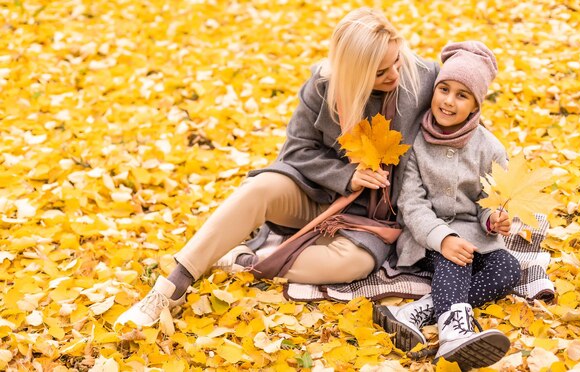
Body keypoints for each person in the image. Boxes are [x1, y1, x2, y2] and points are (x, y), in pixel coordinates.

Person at [115, 8, 439, 328]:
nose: (394, 74)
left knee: (354, 264)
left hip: (368, 218)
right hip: (315, 192)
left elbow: (462, 85)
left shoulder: (420, 77)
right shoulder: (323, 85)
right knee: (259, 189)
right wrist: (346, 176)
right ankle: (172, 285)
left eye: (396, 61)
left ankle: (244, 261)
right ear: (355, 71)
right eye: (381, 72)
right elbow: (298, 150)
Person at [374, 41, 522, 370]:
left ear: (475, 106)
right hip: (425, 237)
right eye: (444, 89)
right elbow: (411, 203)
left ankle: (419, 310)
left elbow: (490, 200)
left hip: (473, 234)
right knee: (457, 257)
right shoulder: (416, 143)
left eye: (461, 95)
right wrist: (443, 238)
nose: (449, 101)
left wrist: (493, 219)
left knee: (508, 268)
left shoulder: (490, 148)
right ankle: (454, 332)